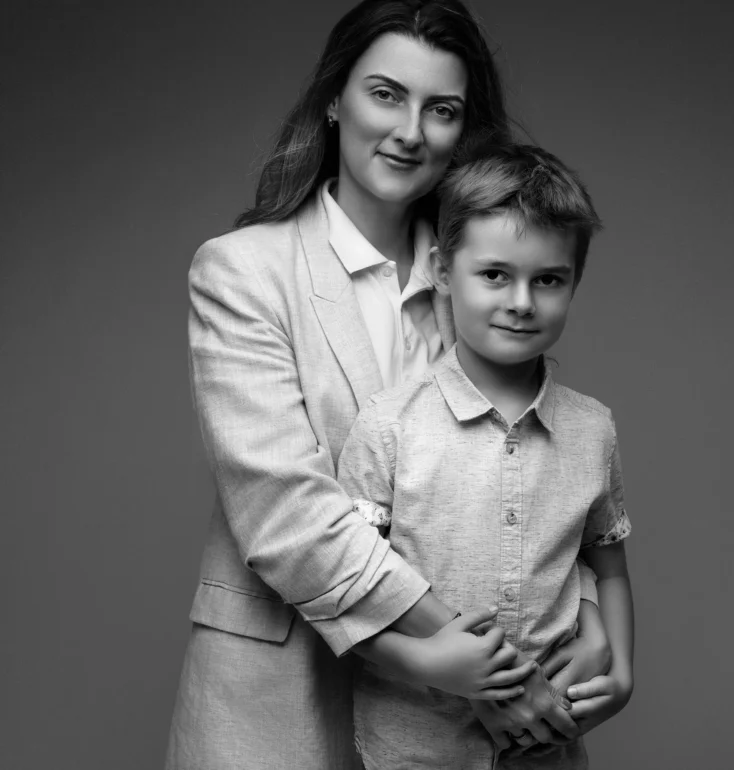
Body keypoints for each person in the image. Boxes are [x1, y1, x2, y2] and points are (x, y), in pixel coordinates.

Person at [165, 3, 613, 769]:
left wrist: (593, 615)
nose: (411, 130)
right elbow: (288, 516)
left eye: (441, 109)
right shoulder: (241, 271)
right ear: (334, 99)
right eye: (385, 94)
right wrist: (484, 673)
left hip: (467, 730)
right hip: (288, 687)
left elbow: (535, 467)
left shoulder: (482, 272)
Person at [337, 142, 635, 769]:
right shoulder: (390, 426)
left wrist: (622, 673)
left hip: (550, 747)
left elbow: (606, 566)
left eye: (548, 279)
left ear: (574, 282)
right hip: (413, 745)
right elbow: (353, 591)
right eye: (495, 274)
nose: (522, 301)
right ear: (444, 271)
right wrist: (426, 661)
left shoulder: (592, 429)